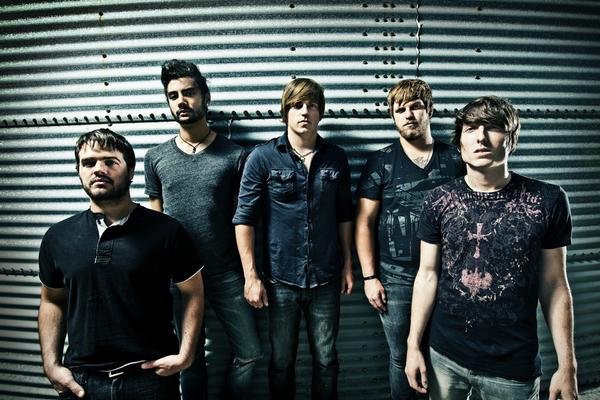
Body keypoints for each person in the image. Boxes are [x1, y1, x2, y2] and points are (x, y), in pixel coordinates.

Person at [405, 96, 578, 400]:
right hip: (445, 356)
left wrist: (568, 365)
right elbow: (427, 274)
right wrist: (413, 345)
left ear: (511, 139)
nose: (481, 137)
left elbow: (554, 284)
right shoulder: (438, 200)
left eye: (493, 127)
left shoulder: (548, 201)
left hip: (512, 366)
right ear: (460, 143)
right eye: (471, 128)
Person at [37, 129, 204, 400]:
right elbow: (52, 300)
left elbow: (193, 292)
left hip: (150, 379)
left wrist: (185, 355)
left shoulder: (166, 231)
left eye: (110, 162)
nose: (98, 169)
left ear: (130, 172)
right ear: (79, 171)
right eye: (88, 163)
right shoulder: (58, 237)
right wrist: (51, 364)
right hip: (82, 382)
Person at [144, 59, 261, 400]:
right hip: (179, 279)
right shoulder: (156, 157)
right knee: (189, 360)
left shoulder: (236, 156)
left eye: (189, 92)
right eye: (173, 95)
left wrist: (251, 274)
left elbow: (244, 218)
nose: (181, 101)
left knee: (250, 352)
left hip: (225, 273)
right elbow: (155, 221)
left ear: (205, 97)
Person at [233, 78, 354, 400]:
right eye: (297, 105)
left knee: (326, 360)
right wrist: (251, 277)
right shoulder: (262, 158)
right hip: (281, 281)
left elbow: (345, 215)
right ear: (285, 112)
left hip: (326, 278)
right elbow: (244, 220)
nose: (305, 112)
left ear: (320, 113)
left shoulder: (336, 157)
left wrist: (348, 264)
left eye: (312, 105)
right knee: (282, 361)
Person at [355, 79, 464, 399]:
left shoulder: (455, 159)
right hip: (396, 280)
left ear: (430, 109)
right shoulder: (381, 161)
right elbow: (364, 222)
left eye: (415, 106)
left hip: (449, 277)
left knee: (447, 357)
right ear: (392, 116)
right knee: (402, 356)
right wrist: (369, 277)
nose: (408, 115)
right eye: (399, 109)